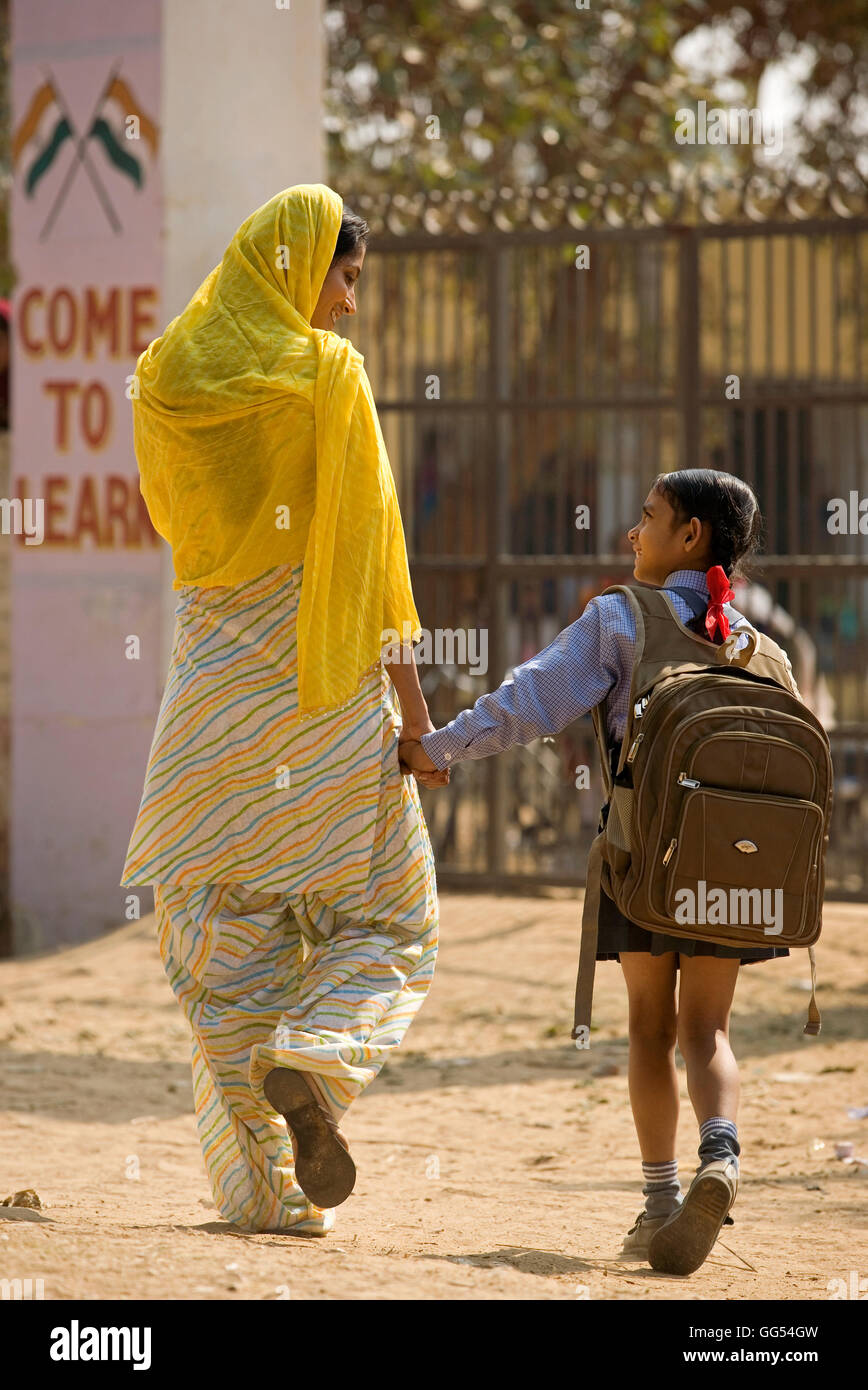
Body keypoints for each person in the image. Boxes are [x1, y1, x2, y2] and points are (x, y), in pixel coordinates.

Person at [121, 184, 447, 1237]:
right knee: (396, 920)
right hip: (323, 700)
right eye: (345, 276)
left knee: (221, 954)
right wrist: (413, 718)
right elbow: (376, 560)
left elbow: (176, 521)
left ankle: (263, 1189)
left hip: (212, 712)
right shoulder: (327, 380)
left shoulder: (168, 374)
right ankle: (317, 1054)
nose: (348, 306)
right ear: (302, 265)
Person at [400, 469, 790, 1273]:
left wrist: (432, 749)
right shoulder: (757, 645)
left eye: (647, 519)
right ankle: (722, 1153)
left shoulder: (620, 620)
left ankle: (657, 1205)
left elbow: (530, 702)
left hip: (644, 858)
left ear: (690, 536)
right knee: (709, 1030)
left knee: (650, 1029)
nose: (631, 535)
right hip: (733, 870)